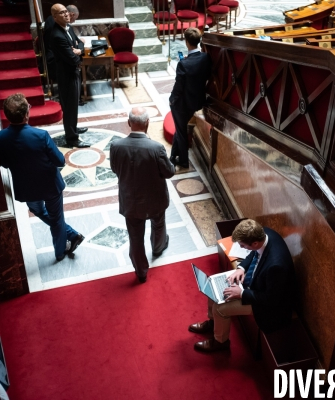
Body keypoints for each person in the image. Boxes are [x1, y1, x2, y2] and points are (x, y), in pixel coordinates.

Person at [0, 93, 85, 262]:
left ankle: (70, 236)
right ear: (26, 114)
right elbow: (60, 161)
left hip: (27, 188)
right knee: (56, 219)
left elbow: (4, 163)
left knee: (37, 210)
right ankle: (63, 247)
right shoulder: (41, 136)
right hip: (51, 185)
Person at [189, 219, 296, 352]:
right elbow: (253, 253)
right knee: (212, 286)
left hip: (266, 306)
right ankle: (213, 323)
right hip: (254, 282)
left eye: (243, 245)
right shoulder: (264, 233)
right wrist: (241, 268)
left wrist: (242, 293)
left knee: (220, 308)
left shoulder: (276, 266)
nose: (241, 248)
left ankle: (221, 342)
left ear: (255, 243)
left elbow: (271, 300)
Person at [109, 107, 175, 283]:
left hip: (130, 201)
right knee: (158, 224)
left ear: (129, 123)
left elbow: (115, 169)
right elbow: (169, 172)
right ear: (147, 123)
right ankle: (158, 248)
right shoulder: (156, 148)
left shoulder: (116, 146)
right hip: (155, 200)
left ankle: (141, 272)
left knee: (135, 237)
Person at [169, 27, 212, 169]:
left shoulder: (183, 63)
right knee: (179, 129)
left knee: (181, 132)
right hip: (197, 101)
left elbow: (179, 86)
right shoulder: (205, 58)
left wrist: (172, 99)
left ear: (187, 42)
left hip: (182, 104)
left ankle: (183, 161)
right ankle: (173, 155)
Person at [50, 3, 89, 148]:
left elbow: (79, 43)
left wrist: (79, 50)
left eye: (66, 11)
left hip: (74, 72)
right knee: (69, 107)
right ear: (55, 17)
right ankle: (72, 138)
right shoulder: (57, 36)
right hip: (67, 75)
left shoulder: (68, 27)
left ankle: (73, 127)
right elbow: (72, 59)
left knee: (74, 105)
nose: (66, 14)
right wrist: (78, 53)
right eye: (61, 13)